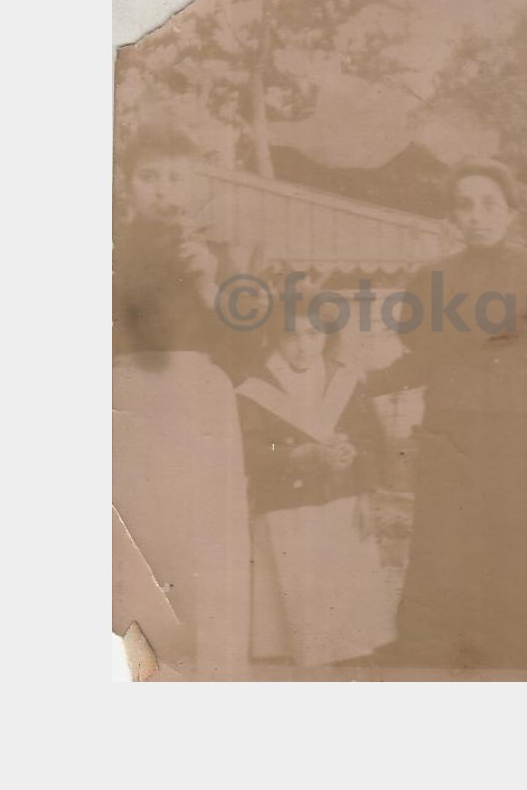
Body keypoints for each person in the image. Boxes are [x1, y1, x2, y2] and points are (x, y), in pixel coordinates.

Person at [368, 158, 527, 674]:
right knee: (444, 548)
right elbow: (422, 356)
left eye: (490, 204)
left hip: (515, 439)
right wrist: (361, 384)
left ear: (511, 211)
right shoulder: (433, 278)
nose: (477, 216)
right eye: (465, 205)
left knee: (511, 549)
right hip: (449, 436)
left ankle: (509, 661)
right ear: (453, 215)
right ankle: (438, 659)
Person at [112, 128, 251, 680]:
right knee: (139, 534)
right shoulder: (110, 247)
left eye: (176, 178)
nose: (163, 190)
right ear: (128, 183)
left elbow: (246, 351)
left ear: (195, 186)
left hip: (197, 400)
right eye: (150, 177)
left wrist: (210, 283)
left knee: (201, 536)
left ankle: (209, 670)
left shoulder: (218, 254)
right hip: (128, 395)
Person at [236, 296, 397, 668]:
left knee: (345, 588)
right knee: (300, 590)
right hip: (287, 507)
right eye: (291, 336)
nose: (303, 345)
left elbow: (369, 438)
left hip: (342, 499)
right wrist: (298, 454)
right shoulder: (256, 388)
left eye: (313, 334)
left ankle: (351, 654)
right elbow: (252, 447)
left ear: (327, 336)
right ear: (275, 338)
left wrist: (361, 480)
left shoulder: (343, 380)